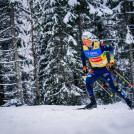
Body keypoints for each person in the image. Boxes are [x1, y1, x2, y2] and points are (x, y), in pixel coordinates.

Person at [81, 31, 132, 109]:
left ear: (90, 39)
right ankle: (93, 103)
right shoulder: (84, 48)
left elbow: (110, 48)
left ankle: (129, 102)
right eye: (83, 40)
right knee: (88, 81)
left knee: (114, 86)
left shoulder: (99, 46)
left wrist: (111, 61)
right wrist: (84, 66)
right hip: (95, 70)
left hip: (105, 69)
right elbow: (82, 56)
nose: (84, 42)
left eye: (86, 40)